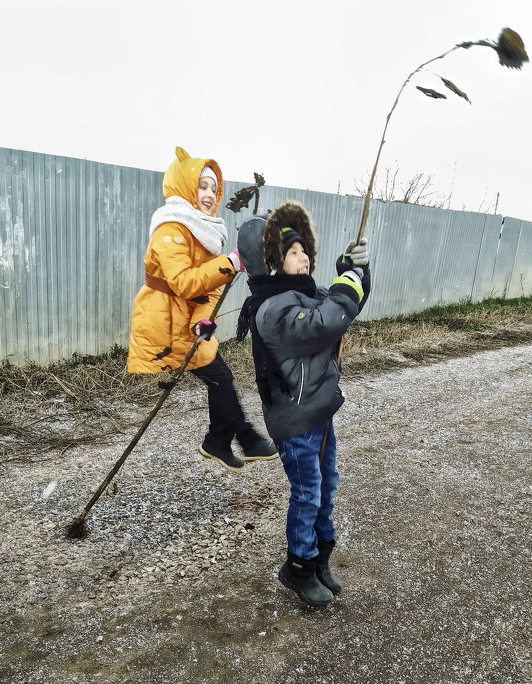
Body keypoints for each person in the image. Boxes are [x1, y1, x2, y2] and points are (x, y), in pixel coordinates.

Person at [236, 201, 370, 607]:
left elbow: (345, 304)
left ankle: (320, 557)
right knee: (307, 491)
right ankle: (298, 567)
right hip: (294, 423)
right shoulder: (272, 309)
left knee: (327, 486)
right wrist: (349, 282)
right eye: (292, 252)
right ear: (272, 262)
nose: (304, 257)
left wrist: (356, 268)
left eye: (304, 250)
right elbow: (325, 321)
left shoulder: (306, 293)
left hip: (320, 411)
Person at [127, 146, 277, 471]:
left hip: (185, 321)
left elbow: (207, 287)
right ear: (184, 187)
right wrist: (232, 262)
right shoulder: (171, 229)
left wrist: (202, 318)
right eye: (202, 187)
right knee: (220, 377)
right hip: (163, 323)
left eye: (213, 188)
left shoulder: (202, 229)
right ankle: (239, 438)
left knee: (220, 378)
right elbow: (183, 283)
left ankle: (221, 441)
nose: (209, 195)